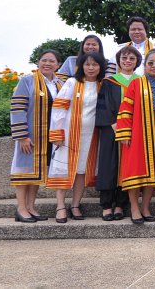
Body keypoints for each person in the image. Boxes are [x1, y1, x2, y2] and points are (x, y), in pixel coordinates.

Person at [48, 52, 105, 222]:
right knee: (64, 170)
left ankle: (75, 205)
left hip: (90, 136)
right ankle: (60, 206)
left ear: (100, 67)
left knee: (82, 171)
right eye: (87, 64)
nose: (91, 68)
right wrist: (58, 133)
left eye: (95, 65)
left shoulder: (101, 85)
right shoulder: (72, 83)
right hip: (68, 134)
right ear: (81, 66)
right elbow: (59, 108)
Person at [10, 50, 63, 223]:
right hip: (30, 136)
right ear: (38, 62)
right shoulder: (27, 81)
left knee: (38, 173)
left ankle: (31, 207)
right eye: (44, 60)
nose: (47, 63)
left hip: (48, 136)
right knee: (24, 171)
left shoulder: (59, 84)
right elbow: (18, 108)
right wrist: (22, 135)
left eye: (51, 61)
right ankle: (21, 208)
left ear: (58, 64)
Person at [116, 49, 155, 224]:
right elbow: (125, 109)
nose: (154, 66)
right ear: (144, 65)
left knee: (154, 169)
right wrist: (124, 132)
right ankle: (134, 208)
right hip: (139, 128)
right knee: (136, 169)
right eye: (150, 63)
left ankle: (145, 207)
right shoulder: (136, 84)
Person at [95, 46, 142, 222]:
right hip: (112, 129)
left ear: (137, 62)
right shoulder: (110, 81)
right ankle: (107, 205)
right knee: (109, 164)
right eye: (124, 57)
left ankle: (122, 204)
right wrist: (114, 124)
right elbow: (105, 105)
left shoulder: (140, 81)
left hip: (135, 131)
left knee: (128, 166)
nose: (128, 61)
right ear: (118, 60)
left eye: (132, 58)